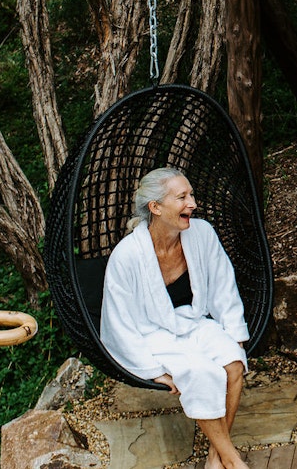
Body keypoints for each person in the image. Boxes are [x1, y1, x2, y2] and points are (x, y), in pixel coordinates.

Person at [100, 167, 250, 469]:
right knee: (200, 372)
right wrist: (152, 368)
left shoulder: (202, 233)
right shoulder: (127, 256)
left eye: (191, 194)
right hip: (151, 335)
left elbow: (223, 285)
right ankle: (232, 460)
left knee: (234, 364)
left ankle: (214, 455)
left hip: (194, 322)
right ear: (155, 207)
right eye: (182, 197)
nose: (192, 203)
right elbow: (118, 322)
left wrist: (235, 332)